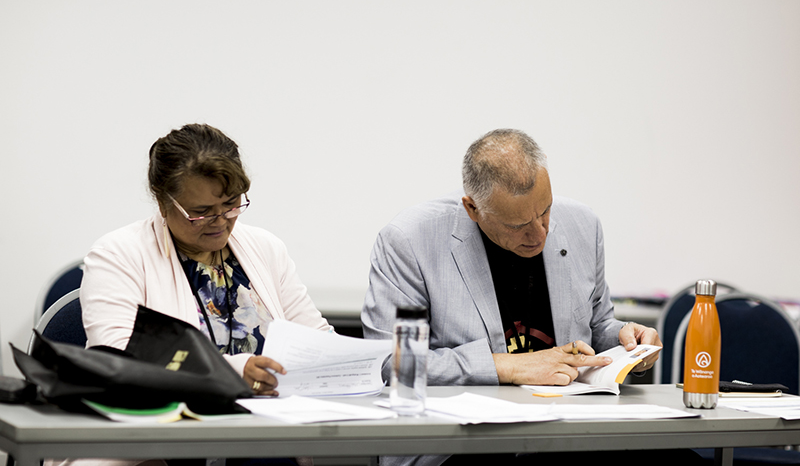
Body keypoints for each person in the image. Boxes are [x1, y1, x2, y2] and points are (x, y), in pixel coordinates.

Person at [362, 128, 668, 466]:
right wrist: (509, 366)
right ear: (472, 209)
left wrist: (627, 340)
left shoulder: (583, 224)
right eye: (517, 224)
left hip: (569, 431)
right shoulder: (409, 240)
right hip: (462, 443)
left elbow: (597, 324)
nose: (539, 233)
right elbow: (392, 362)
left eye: (545, 211)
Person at [72, 124, 329, 466]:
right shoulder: (118, 254)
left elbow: (315, 338)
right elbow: (122, 364)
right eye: (202, 211)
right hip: (156, 438)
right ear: (164, 204)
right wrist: (237, 370)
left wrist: (360, 362)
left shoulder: (266, 248)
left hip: (262, 435)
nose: (221, 220)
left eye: (231, 203)